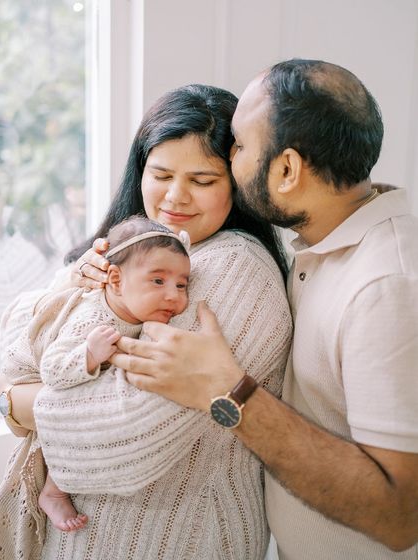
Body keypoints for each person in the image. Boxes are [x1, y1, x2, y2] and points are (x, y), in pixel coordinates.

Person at [104, 60, 418, 559]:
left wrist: (227, 392)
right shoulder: (321, 251)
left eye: (241, 146)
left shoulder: (386, 284)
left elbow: (401, 516)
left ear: (287, 169)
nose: (231, 158)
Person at [0, 84, 292, 560]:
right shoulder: (130, 250)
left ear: (237, 183)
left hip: (178, 542)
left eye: (202, 180)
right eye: (160, 174)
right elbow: (14, 348)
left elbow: (124, 427)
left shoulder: (234, 267)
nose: (175, 197)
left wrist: (15, 404)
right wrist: (73, 283)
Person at [0, 216, 190, 543]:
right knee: (81, 403)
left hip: (56, 374)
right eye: (158, 281)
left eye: (182, 284)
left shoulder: (133, 310)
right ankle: (54, 492)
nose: (173, 295)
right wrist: (89, 354)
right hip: (29, 368)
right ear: (115, 279)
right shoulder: (93, 318)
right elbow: (53, 371)